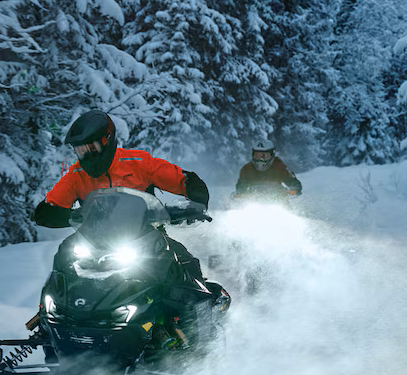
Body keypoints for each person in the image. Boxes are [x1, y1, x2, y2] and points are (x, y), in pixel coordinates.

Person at [33, 109, 211, 282]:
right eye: (81, 150)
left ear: (107, 140)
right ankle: (56, 299)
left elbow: (183, 179)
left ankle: (205, 298)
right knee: (64, 262)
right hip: (95, 244)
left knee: (185, 264)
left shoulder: (138, 163)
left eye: (92, 148)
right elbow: (47, 209)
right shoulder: (76, 175)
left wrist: (196, 199)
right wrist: (73, 215)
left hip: (147, 238)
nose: (87, 155)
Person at [234, 139, 303, 197]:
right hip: (253, 202)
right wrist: (240, 193)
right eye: (257, 156)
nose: (261, 159)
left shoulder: (279, 167)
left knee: (291, 209)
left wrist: (293, 189)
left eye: (264, 156)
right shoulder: (247, 169)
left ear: (272, 155)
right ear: (253, 155)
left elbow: (293, 182)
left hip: (278, 201)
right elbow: (241, 186)